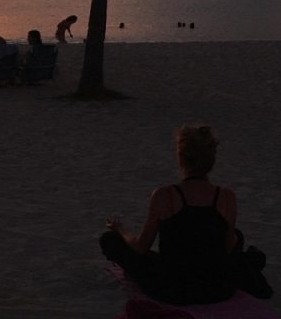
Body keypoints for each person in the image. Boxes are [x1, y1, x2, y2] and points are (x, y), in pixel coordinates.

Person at [99, 125, 248, 305]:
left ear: (180, 158)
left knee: (110, 240)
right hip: (216, 290)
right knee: (237, 236)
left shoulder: (164, 195)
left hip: (172, 290)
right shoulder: (226, 197)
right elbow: (227, 248)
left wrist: (121, 230)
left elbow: (140, 247)